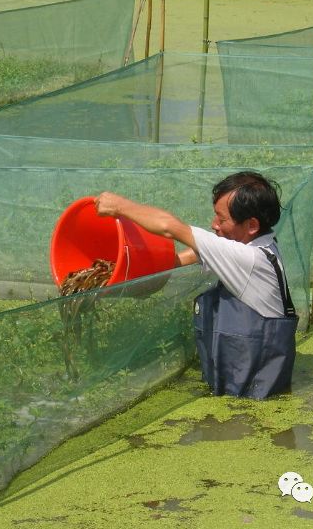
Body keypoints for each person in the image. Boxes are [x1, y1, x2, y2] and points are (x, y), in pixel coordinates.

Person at [94, 171, 298, 399]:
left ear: (251, 225)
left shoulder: (248, 260)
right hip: (248, 393)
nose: (214, 225)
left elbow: (170, 228)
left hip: (251, 401)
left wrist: (119, 206)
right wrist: (153, 265)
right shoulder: (262, 247)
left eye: (222, 220)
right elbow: (200, 253)